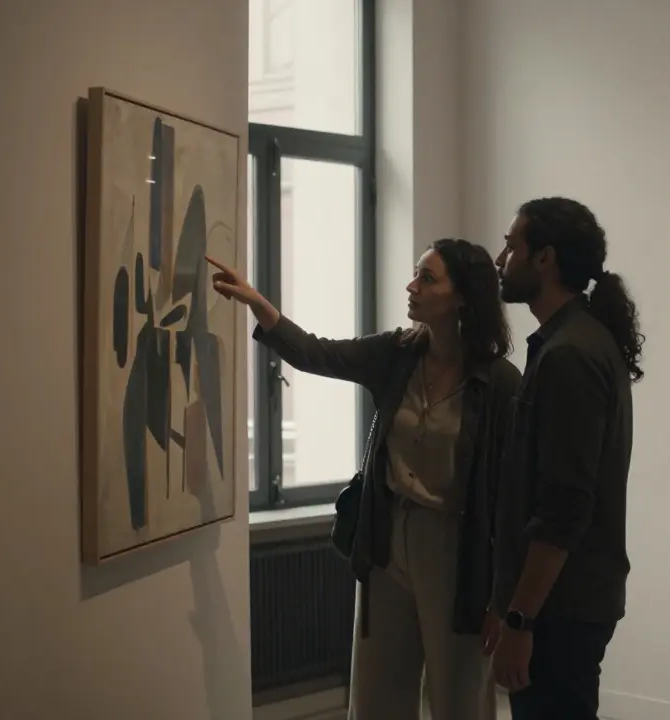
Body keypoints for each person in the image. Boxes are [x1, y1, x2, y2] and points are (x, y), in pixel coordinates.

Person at [205, 239, 520, 720]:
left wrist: (502, 598)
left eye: (428, 278)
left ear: (463, 296)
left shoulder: (499, 383)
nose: (412, 286)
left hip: (457, 550)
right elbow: (316, 353)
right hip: (385, 537)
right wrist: (257, 303)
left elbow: (511, 498)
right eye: (416, 274)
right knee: (377, 692)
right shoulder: (397, 353)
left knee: (458, 697)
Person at [484, 197, 643, 719]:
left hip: (560, 608)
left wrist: (520, 620)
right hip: (566, 602)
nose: (500, 258)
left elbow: (564, 507)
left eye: (512, 246)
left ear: (545, 258)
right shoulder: (575, 341)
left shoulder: (570, 354)